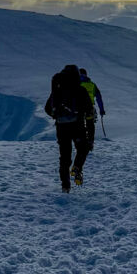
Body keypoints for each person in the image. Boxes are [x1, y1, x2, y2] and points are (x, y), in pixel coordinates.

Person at [45, 63, 90, 191]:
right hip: (78, 126)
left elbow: (47, 108)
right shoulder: (80, 90)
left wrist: (57, 115)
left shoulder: (57, 90)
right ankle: (77, 167)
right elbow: (88, 108)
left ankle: (65, 186)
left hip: (61, 127)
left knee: (64, 157)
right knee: (83, 148)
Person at [78, 66, 105, 153]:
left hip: (78, 109)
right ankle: (90, 142)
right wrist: (101, 110)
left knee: (79, 125)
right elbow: (99, 98)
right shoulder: (92, 85)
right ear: (86, 75)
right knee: (90, 125)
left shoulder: (75, 84)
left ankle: (81, 142)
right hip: (89, 108)